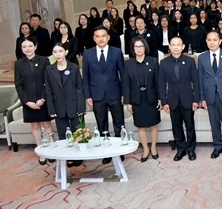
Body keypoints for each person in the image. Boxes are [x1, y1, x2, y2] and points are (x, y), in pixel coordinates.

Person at [83, 26, 126, 165]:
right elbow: (86, 77)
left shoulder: (117, 52)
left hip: (115, 93)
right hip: (96, 94)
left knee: (119, 123)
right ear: (94, 38)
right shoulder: (87, 54)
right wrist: (87, 96)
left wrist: (124, 93)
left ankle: (120, 150)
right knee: (102, 125)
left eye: (103, 36)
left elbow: (123, 74)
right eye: (98, 36)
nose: (101, 39)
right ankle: (106, 151)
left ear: (108, 37)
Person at [14, 36, 54, 165]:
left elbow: (49, 81)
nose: (27, 49)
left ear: (35, 47)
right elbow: (18, 85)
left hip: (43, 99)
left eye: (30, 46)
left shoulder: (44, 60)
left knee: (47, 124)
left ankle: (52, 150)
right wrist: (27, 102)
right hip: (29, 101)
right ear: (21, 49)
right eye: (24, 47)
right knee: (35, 126)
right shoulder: (18, 64)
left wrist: (43, 99)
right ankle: (41, 153)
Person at [159, 36, 199, 161]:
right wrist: (164, 101)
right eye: (173, 44)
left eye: (178, 44)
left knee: (190, 125)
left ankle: (191, 149)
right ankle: (181, 149)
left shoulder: (190, 61)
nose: (175, 47)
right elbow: (161, 83)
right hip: (172, 100)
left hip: (187, 99)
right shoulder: (164, 63)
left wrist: (196, 100)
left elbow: (195, 81)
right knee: (176, 126)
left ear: (183, 47)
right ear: (169, 47)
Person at [45, 42, 85, 167]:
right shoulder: (49, 69)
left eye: (60, 51)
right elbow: (48, 91)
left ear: (66, 52)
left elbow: (79, 88)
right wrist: (51, 109)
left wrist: (81, 106)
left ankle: (79, 156)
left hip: (74, 105)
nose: (58, 54)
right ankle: (67, 156)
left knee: (78, 132)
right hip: (59, 106)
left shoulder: (74, 67)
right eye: (55, 52)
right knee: (63, 133)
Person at [199, 31, 222, 159]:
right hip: (210, 95)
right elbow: (200, 79)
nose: (212, 42)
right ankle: (217, 146)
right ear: (206, 41)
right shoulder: (202, 58)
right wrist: (202, 98)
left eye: (215, 40)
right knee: (214, 123)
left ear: (220, 41)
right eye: (209, 40)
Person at [123, 37, 161, 162]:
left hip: (151, 97)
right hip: (137, 99)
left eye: (141, 46)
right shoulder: (128, 64)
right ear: (133, 49)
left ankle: (153, 147)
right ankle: (145, 149)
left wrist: (160, 98)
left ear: (145, 47)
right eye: (136, 47)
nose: (138, 49)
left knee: (153, 124)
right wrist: (128, 101)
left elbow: (158, 81)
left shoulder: (153, 61)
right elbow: (126, 84)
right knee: (141, 126)